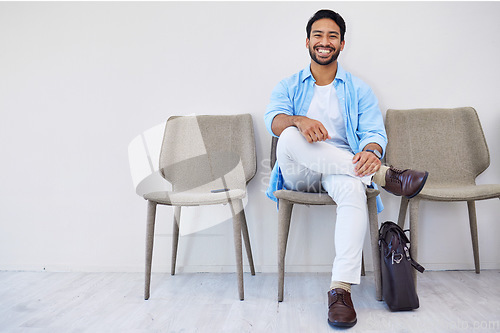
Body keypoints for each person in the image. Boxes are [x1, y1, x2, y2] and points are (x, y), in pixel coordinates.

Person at [264, 9, 428, 328]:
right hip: (300, 173)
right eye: (318, 35)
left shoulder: (359, 89)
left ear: (341, 44)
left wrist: (370, 152)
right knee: (287, 136)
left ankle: (340, 291)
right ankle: (385, 176)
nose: (325, 42)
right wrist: (300, 121)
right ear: (308, 42)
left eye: (332, 36)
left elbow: (374, 134)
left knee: (353, 188)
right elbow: (274, 121)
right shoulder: (288, 85)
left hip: (344, 169)